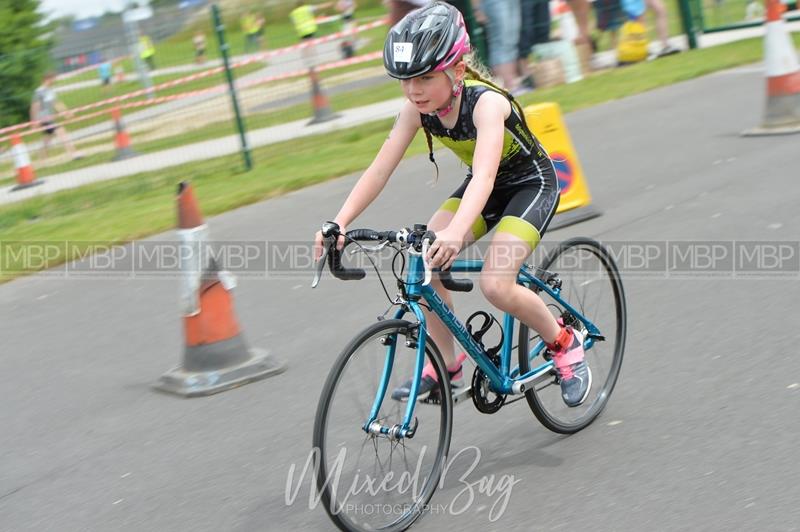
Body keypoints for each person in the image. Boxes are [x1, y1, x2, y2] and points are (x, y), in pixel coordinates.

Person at [313, 2, 591, 407]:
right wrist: (337, 222)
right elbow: (379, 168)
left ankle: (565, 344)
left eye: (425, 78)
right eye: (406, 80)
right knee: (423, 262)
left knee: (496, 284)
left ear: (457, 70)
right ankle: (447, 364)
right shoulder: (418, 109)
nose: (414, 90)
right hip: (486, 186)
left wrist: (457, 232)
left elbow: (484, 177)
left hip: (529, 185)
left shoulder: (487, 104)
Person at [29, 72, 81, 161]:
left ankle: (42, 156)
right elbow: (34, 107)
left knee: (48, 137)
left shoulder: (50, 91)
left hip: (49, 118)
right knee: (62, 131)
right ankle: (73, 153)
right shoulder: (39, 92)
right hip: (44, 119)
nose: (54, 81)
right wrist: (34, 121)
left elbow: (56, 104)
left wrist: (67, 113)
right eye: (52, 79)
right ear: (46, 80)